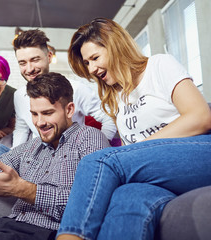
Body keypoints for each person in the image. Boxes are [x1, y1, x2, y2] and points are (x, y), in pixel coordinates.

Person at [56, 18, 211, 240]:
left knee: (97, 160)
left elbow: (201, 116)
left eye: (95, 58)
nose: (91, 69)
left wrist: (136, 151)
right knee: (127, 198)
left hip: (199, 154)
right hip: (157, 175)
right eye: (87, 63)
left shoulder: (159, 65)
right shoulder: (116, 97)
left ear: (115, 45)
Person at [0, 72, 110, 240]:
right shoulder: (31, 147)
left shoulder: (89, 137)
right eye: (34, 114)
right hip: (5, 224)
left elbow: (91, 200)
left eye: (47, 113)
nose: (39, 123)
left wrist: (23, 189)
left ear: (69, 110)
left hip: (45, 232)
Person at [0, 29, 116, 159]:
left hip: (68, 155)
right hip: (35, 155)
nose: (29, 69)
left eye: (35, 60)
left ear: (48, 57)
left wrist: (94, 150)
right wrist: (15, 159)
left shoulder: (77, 89)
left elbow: (109, 119)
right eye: (23, 63)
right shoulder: (19, 95)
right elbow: (22, 130)